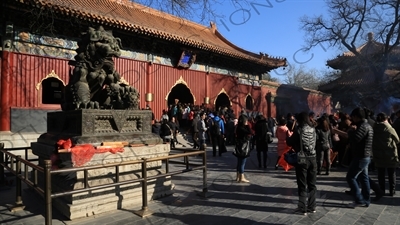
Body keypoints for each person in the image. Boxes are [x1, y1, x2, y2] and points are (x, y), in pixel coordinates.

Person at [286, 111, 317, 215]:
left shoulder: (299, 130)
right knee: (312, 184)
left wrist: (288, 136)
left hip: (302, 158)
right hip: (313, 157)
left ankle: (302, 207)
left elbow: (289, 142)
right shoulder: (313, 129)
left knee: (302, 184)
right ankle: (312, 206)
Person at [346, 107, 373, 207]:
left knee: (351, 177)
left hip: (361, 156)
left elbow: (356, 138)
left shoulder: (363, 126)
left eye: (353, 117)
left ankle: (359, 199)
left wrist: (351, 131)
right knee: (364, 178)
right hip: (365, 155)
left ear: (356, 117)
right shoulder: (367, 125)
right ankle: (366, 199)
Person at [372, 112, 400, 196]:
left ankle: (381, 189)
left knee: (381, 173)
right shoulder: (389, 128)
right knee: (391, 173)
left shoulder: (374, 128)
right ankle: (392, 190)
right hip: (390, 153)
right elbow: (397, 140)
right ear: (386, 119)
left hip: (378, 153)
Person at [234, 115, 252, 183]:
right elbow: (250, 132)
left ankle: (238, 176)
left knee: (239, 162)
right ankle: (242, 176)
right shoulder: (242, 128)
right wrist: (247, 126)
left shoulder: (238, 127)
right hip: (243, 147)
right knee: (242, 162)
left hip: (239, 146)